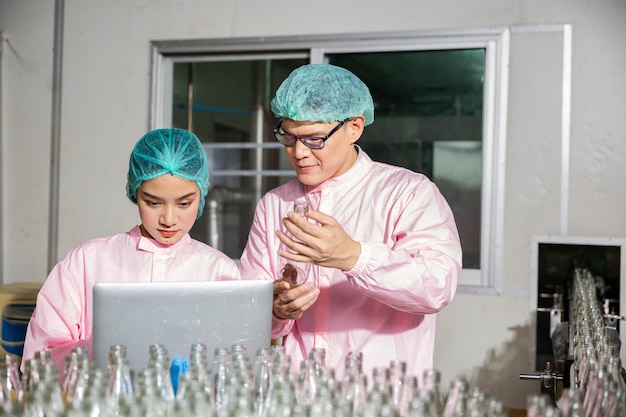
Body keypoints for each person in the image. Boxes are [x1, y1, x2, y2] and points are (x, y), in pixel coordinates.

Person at [239, 64, 462, 381]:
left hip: (379, 396)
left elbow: (436, 287)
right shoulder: (275, 204)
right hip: (298, 395)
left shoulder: (407, 193)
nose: (298, 153)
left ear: (354, 127)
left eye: (314, 139)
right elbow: (248, 313)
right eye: (289, 137)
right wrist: (276, 310)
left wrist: (354, 256)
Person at [22, 128, 240, 371]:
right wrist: (106, 352)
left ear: (202, 194)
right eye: (153, 202)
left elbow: (235, 362)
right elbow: (41, 356)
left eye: (184, 203)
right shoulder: (86, 262)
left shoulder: (219, 271)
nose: (169, 219)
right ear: (135, 192)